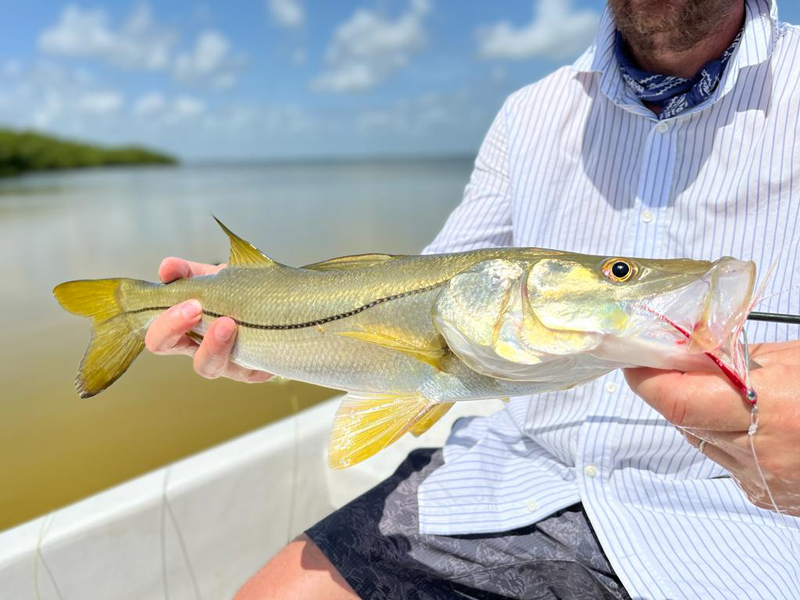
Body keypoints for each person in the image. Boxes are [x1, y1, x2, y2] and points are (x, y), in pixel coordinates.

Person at [145, 0, 800, 598]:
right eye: (620, 273)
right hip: (514, 477)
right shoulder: (527, 113)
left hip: (744, 523)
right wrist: (271, 322)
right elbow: (432, 280)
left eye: (619, 274)